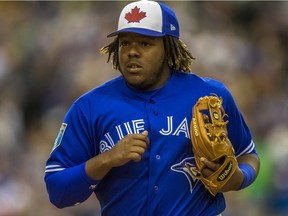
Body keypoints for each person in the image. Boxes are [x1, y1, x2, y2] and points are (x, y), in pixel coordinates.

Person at [44, 1, 260, 215]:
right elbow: (58, 190)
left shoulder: (209, 95)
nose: (132, 52)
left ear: (168, 48)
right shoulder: (89, 107)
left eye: (145, 44)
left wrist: (239, 178)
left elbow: (248, 155)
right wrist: (106, 159)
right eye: (125, 43)